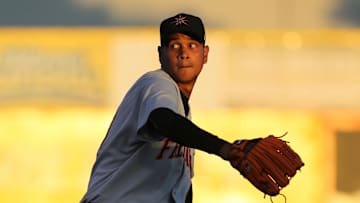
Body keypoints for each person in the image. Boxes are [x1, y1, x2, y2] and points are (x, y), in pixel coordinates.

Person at [80, 13, 232, 203]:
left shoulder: (182, 114)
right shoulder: (157, 83)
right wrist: (226, 149)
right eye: (175, 45)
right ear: (160, 54)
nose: (183, 53)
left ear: (205, 53)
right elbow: (162, 120)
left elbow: (181, 189)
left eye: (192, 45)